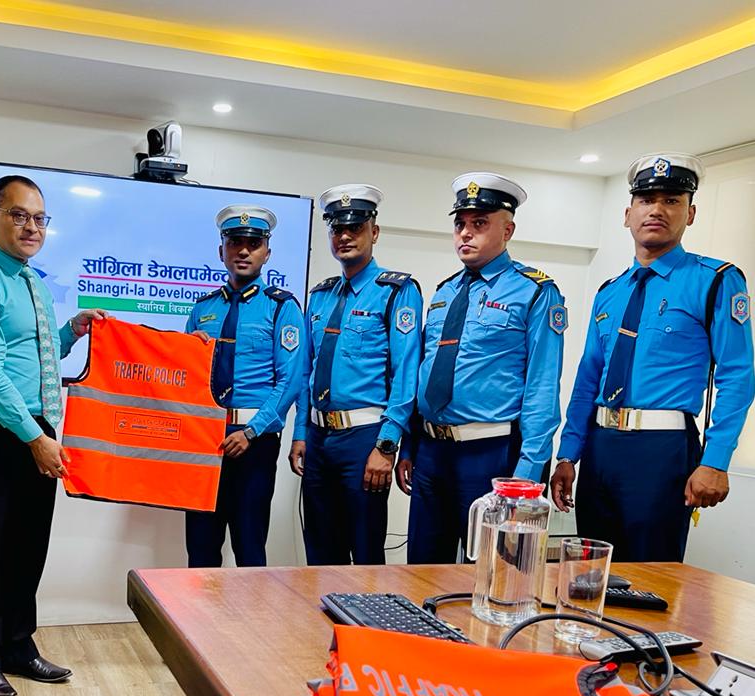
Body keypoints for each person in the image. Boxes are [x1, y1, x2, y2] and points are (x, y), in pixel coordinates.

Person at [0, 175, 105, 696]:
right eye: (19, 215)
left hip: (35, 430)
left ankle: (16, 644)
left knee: (26, 545)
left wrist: (71, 331)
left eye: (39, 218)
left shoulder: (32, 280)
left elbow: (35, 352)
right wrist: (34, 436)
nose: (31, 227)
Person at [551, 153, 754, 562]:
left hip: (662, 450)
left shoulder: (714, 281)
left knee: (652, 574)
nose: (657, 210)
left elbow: (737, 375)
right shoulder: (610, 292)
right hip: (601, 446)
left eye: (672, 200)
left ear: (690, 214)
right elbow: (588, 377)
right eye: (646, 200)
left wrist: (715, 460)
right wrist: (568, 454)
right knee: (590, 573)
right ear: (628, 214)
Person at [397, 173, 566, 564]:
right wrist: (410, 446)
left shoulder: (535, 291)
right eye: (460, 224)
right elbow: (426, 372)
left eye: (479, 223)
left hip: (491, 454)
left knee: (491, 571)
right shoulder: (444, 291)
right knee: (422, 569)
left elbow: (542, 387)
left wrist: (528, 474)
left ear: (507, 230)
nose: (465, 233)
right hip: (432, 452)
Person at [289, 185, 422, 565]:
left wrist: (387, 446)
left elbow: (406, 373)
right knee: (320, 554)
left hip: (365, 440)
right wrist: (301, 432)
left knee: (364, 554)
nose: (345, 236)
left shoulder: (396, 291)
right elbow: (306, 372)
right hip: (318, 438)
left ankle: (365, 610)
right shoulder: (321, 295)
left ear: (374, 233)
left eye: (355, 228)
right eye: (337, 229)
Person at [184, 205, 305, 567]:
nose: (243, 251)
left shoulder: (281, 307)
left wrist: (251, 431)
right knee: (200, 549)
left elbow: (290, 381)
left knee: (249, 549)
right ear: (221, 250)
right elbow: (186, 376)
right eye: (235, 242)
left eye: (253, 244)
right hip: (206, 439)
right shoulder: (202, 309)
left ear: (267, 252)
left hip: (255, 442)